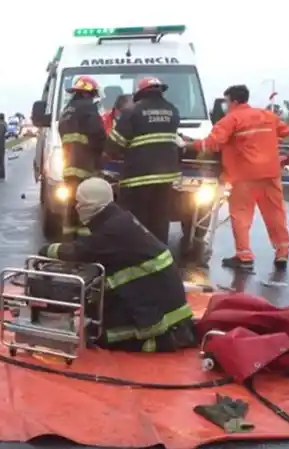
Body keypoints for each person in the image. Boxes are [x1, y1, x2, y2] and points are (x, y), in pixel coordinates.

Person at [38, 177, 196, 353]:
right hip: (162, 302)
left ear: (90, 205)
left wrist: (46, 250)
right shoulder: (119, 220)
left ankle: (164, 340)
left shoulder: (112, 230)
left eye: (79, 202)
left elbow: (79, 252)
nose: (76, 207)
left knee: (101, 337)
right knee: (97, 314)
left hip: (160, 318)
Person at [181, 84, 289, 271]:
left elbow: (212, 144)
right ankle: (282, 252)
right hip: (270, 173)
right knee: (275, 214)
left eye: (226, 101)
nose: (226, 105)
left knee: (241, 216)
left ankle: (244, 256)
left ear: (232, 101)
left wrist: (188, 144)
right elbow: (285, 131)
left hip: (244, 175)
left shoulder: (231, 119)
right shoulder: (267, 115)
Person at [106, 77, 181, 245]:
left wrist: (108, 154)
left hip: (138, 177)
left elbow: (115, 144)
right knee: (160, 219)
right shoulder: (172, 110)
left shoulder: (133, 111)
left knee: (136, 221)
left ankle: (137, 254)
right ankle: (159, 255)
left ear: (140, 93)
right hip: (166, 177)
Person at [57, 75, 107, 238]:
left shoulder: (67, 111)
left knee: (72, 202)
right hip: (85, 164)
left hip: (69, 164)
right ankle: (86, 241)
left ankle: (69, 238)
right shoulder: (88, 109)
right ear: (88, 93)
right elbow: (98, 134)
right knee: (87, 203)